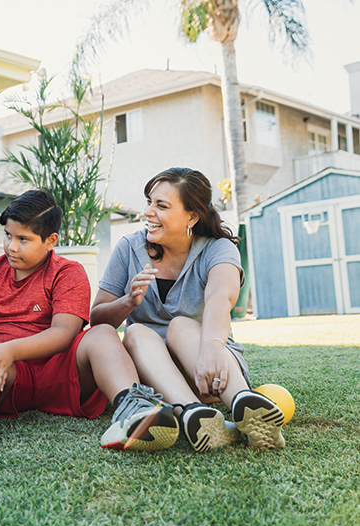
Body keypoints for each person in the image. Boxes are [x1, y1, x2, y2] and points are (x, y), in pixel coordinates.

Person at [0, 190, 181, 466]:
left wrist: (10, 349)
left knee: (102, 333)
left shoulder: (68, 272)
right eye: (7, 235)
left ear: (51, 241)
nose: (11, 247)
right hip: (7, 377)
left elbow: (64, 333)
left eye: (23, 239)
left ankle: (132, 408)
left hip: (61, 371)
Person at [91, 167, 285, 452]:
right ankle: (194, 414)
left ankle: (242, 402)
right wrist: (128, 301)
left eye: (162, 206)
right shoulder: (129, 248)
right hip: (157, 377)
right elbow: (98, 318)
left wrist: (211, 346)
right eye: (149, 202)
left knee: (181, 326)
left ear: (192, 216)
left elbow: (221, 296)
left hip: (211, 371)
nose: (148, 212)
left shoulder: (218, 248)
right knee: (135, 333)